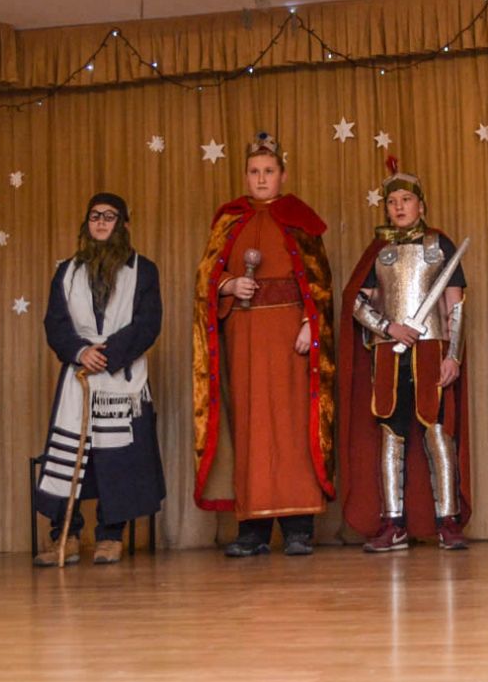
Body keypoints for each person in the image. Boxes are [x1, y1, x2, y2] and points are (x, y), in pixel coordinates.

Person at [192, 132, 335, 557]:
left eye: (268, 171)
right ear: (245, 175)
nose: (260, 179)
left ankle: (298, 529)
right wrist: (229, 284)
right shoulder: (228, 221)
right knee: (250, 427)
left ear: (282, 175)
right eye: (254, 171)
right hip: (245, 337)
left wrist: (311, 323)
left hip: (290, 336)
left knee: (292, 427)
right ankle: (252, 530)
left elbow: (320, 281)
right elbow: (205, 279)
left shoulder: (299, 219)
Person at [339, 167, 471, 551]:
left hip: (432, 350)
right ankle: (392, 522)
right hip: (389, 352)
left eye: (406, 200)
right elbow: (357, 303)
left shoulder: (440, 245)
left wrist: (453, 356)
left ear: (421, 205)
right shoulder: (379, 252)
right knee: (391, 433)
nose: (399, 207)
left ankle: (447, 520)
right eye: (392, 202)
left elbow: (455, 306)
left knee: (437, 430)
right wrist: (388, 327)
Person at [33, 193, 165, 566]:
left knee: (116, 456)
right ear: (86, 223)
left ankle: (110, 535)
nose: (102, 222)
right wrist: (80, 351)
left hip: (121, 378)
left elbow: (148, 323)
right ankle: (67, 535)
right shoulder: (67, 271)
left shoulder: (143, 270)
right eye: (95, 216)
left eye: (110, 216)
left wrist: (106, 354)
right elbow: (55, 323)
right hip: (79, 375)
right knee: (70, 455)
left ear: (123, 224)